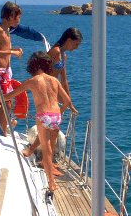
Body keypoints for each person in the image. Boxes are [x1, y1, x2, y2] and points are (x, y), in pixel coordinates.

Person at [0, 51, 76, 195]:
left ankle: (51, 182)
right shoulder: (54, 80)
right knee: (50, 149)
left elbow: (10, 95)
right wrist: (60, 111)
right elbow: (67, 100)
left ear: (33, 65)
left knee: (46, 151)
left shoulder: (33, 81)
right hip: (56, 115)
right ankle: (43, 166)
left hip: (43, 116)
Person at [19, 27, 83, 158]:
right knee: (51, 128)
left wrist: (68, 101)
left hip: (54, 91)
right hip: (47, 93)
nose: (76, 48)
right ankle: (44, 158)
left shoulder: (63, 55)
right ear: (69, 40)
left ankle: (40, 155)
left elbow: (63, 80)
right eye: (76, 44)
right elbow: (43, 71)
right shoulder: (55, 52)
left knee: (51, 128)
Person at [0, 1, 24, 135]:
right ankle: (2, 131)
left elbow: (3, 48)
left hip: (5, 72)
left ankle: (2, 128)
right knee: (6, 102)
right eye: (18, 17)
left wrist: (13, 49)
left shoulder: (7, 31)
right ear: (11, 15)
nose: (19, 20)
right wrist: (12, 52)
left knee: (7, 102)